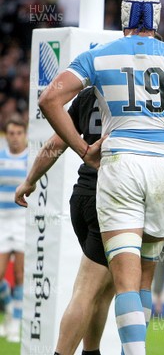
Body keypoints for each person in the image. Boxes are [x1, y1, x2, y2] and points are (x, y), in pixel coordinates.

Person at [38, 0, 164, 353]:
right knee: (144, 277)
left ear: (124, 18)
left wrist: (83, 150)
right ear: (156, 20)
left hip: (121, 164)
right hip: (163, 166)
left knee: (123, 281)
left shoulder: (100, 55)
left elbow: (49, 99)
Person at [15, 87, 114, 355]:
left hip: (81, 198)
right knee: (87, 290)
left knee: (104, 290)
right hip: (108, 200)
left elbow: (55, 144)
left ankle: (91, 352)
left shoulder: (87, 95)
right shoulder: (129, 95)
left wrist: (30, 180)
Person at [0, 116, 28, 343]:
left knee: (20, 274)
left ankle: (16, 321)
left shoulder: (31, 158)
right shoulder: (0, 157)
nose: (15, 137)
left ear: (25, 134)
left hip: (23, 221)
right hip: (2, 220)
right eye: (11, 133)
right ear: (6, 135)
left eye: (19, 133)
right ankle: (9, 310)